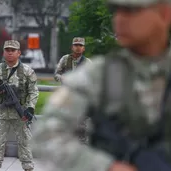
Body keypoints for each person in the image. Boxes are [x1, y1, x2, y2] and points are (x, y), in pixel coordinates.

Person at [32, 0, 171, 170]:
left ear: (164, 14)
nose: (119, 19)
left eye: (132, 10)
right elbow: (45, 135)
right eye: (116, 10)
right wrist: (107, 166)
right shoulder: (99, 74)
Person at [0, 40, 39, 171]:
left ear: (19, 53)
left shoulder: (27, 71)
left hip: (20, 113)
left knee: (25, 143)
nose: (9, 53)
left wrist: (30, 108)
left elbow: (33, 91)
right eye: (7, 50)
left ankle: (28, 168)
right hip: (1, 114)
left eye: (13, 50)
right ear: (4, 52)